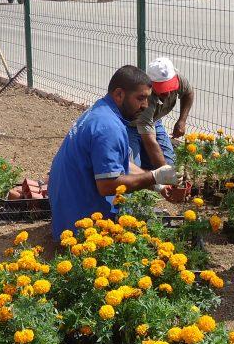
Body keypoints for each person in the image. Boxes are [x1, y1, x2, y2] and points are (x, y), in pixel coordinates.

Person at [49, 66, 178, 239]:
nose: (146, 105)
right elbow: (107, 186)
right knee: (152, 233)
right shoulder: (108, 127)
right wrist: (154, 176)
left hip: (66, 214)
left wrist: (158, 184)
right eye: (141, 98)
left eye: (147, 99)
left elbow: (121, 163)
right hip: (80, 228)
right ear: (119, 94)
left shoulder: (101, 111)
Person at [127, 56, 194, 170]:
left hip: (154, 121)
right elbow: (149, 139)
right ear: (150, 84)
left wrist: (182, 120)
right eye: (162, 89)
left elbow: (188, 93)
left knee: (170, 163)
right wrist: (164, 174)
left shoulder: (178, 79)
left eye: (170, 86)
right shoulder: (145, 98)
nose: (168, 94)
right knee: (134, 168)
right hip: (130, 126)